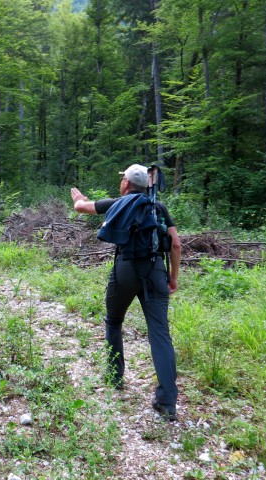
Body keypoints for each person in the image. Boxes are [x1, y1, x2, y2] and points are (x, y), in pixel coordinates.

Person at [70, 164, 182, 421]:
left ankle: (115, 376)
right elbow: (175, 243)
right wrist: (173, 277)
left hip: (125, 269)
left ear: (126, 184)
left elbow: (81, 208)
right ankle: (167, 401)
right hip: (155, 271)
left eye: (122, 179)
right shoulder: (158, 208)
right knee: (159, 333)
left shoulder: (117, 204)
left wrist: (80, 199)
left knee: (114, 321)